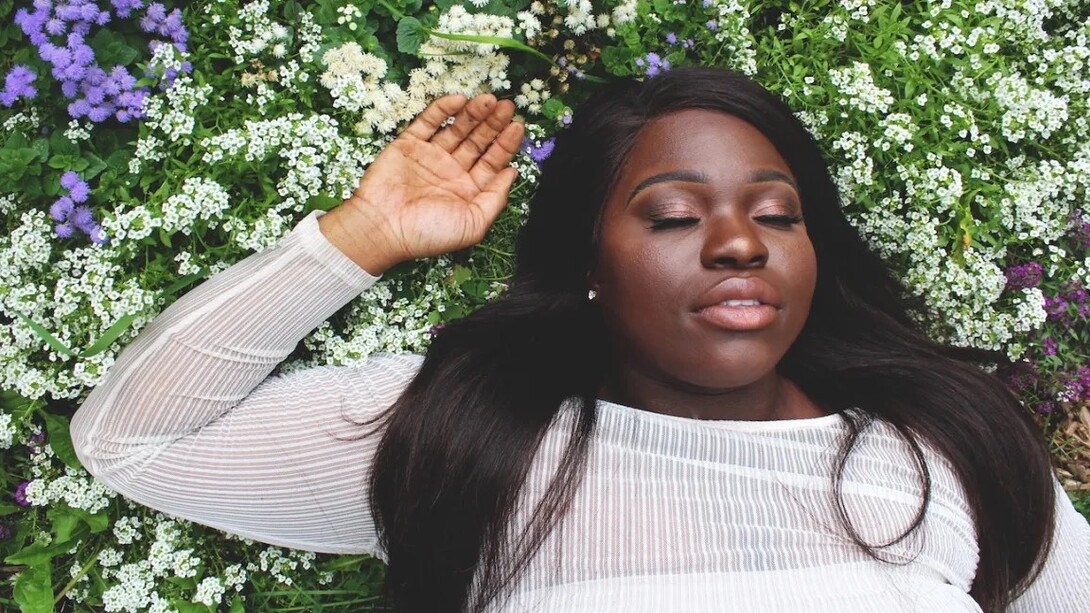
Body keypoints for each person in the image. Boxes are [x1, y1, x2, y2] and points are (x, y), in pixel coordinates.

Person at [71, 67, 1089, 613]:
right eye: (674, 215)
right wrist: (359, 240)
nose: (738, 242)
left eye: (777, 214)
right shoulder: (474, 437)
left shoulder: (945, 450)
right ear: (589, 265)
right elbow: (134, 440)